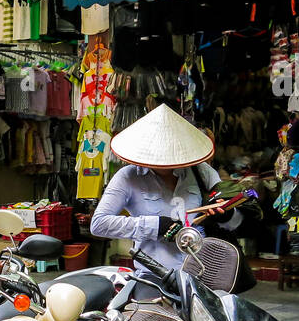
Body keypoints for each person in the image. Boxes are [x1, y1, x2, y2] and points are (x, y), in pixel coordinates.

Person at [88, 103, 239, 276]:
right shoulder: (128, 176)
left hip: (202, 274)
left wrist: (226, 215)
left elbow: (234, 223)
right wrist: (154, 225)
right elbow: (99, 224)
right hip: (154, 275)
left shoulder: (201, 170)